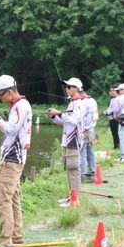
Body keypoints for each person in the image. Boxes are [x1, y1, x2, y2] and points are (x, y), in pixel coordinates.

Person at [0, 75, 32, 247]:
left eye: (0, 94)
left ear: (9, 91)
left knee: (2, 200)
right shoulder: (20, 106)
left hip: (11, 161)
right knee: (13, 198)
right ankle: (17, 236)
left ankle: (6, 242)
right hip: (16, 160)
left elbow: (11, 129)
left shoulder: (20, 106)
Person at [47, 77, 84, 206]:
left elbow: (75, 121)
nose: (66, 89)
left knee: (73, 169)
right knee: (69, 169)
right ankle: (71, 197)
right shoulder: (72, 103)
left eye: (69, 87)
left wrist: (60, 113)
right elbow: (65, 122)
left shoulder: (79, 103)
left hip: (73, 141)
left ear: (76, 89)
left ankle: (75, 200)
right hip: (67, 141)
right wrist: (54, 117)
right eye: (66, 87)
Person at [80, 89, 98, 179]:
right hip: (92, 129)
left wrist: (83, 129)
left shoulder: (84, 103)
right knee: (91, 151)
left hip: (85, 130)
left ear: (81, 93)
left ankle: (82, 174)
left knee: (82, 152)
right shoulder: (93, 101)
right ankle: (92, 170)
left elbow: (85, 118)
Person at [104, 85, 120, 149]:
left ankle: (119, 146)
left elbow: (116, 109)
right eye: (109, 90)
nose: (110, 92)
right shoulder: (112, 99)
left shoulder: (119, 99)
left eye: (111, 90)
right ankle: (116, 146)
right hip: (111, 118)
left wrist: (110, 112)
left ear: (115, 91)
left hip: (117, 119)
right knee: (114, 133)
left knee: (118, 133)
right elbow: (110, 108)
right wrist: (106, 112)